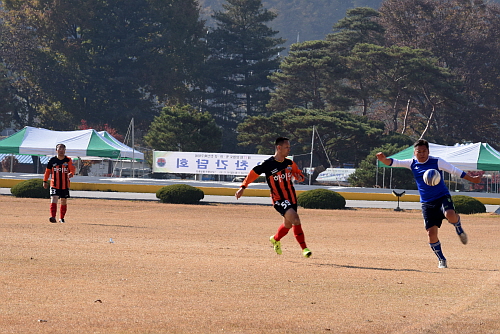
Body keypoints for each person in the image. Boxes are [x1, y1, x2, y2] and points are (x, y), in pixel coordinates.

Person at [376, 139, 481, 268]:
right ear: (414, 153)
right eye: (419, 151)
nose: (421, 154)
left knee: (450, 214)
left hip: (442, 196)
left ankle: (458, 228)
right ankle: (441, 259)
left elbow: (455, 171)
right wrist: (383, 159)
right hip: (427, 202)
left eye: (424, 151)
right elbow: (393, 162)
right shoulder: (412, 163)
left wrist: (473, 179)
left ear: (428, 151)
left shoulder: (437, 161)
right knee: (431, 234)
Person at [235, 137, 312, 258]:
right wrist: (243, 187)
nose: (289, 150)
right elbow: (252, 174)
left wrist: (300, 177)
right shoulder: (267, 164)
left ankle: (275, 239)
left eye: (289, 147)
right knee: (295, 219)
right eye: (287, 147)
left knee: (288, 225)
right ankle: (305, 249)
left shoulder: (289, 163)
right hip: (278, 199)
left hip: (291, 198)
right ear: (279, 148)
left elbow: (299, 175)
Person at [43, 143, 75, 223]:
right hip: (54, 184)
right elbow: (47, 171)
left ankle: (61, 218)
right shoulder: (52, 160)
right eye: (59, 149)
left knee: (63, 200)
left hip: (65, 184)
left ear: (65, 150)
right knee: (54, 198)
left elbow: (72, 169)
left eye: (63, 149)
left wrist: (71, 173)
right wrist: (45, 181)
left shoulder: (68, 160)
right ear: (56, 150)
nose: (61, 151)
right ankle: (53, 217)